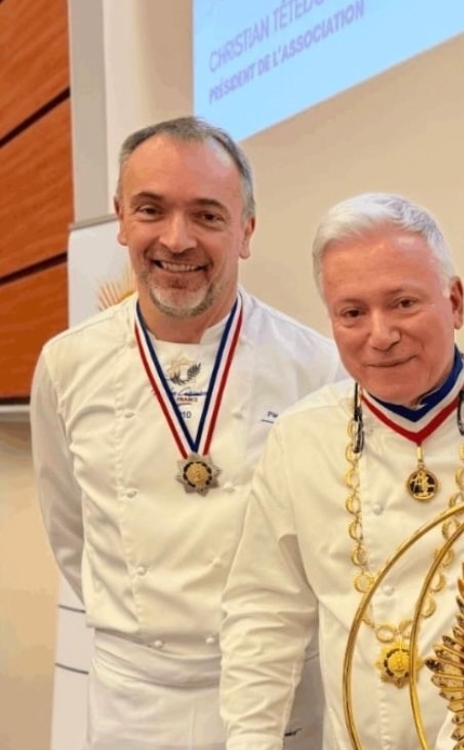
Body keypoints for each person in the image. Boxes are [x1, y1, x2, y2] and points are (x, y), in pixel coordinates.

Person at [217, 192, 464, 750]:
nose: (381, 334)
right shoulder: (299, 438)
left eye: (404, 303)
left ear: (455, 302)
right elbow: (264, 612)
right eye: (352, 313)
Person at [30, 116, 340, 750]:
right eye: (151, 209)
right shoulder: (66, 364)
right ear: (121, 218)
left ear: (245, 230)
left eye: (207, 215)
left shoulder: (315, 367)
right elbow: (69, 528)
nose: (176, 239)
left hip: (277, 691)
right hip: (133, 700)